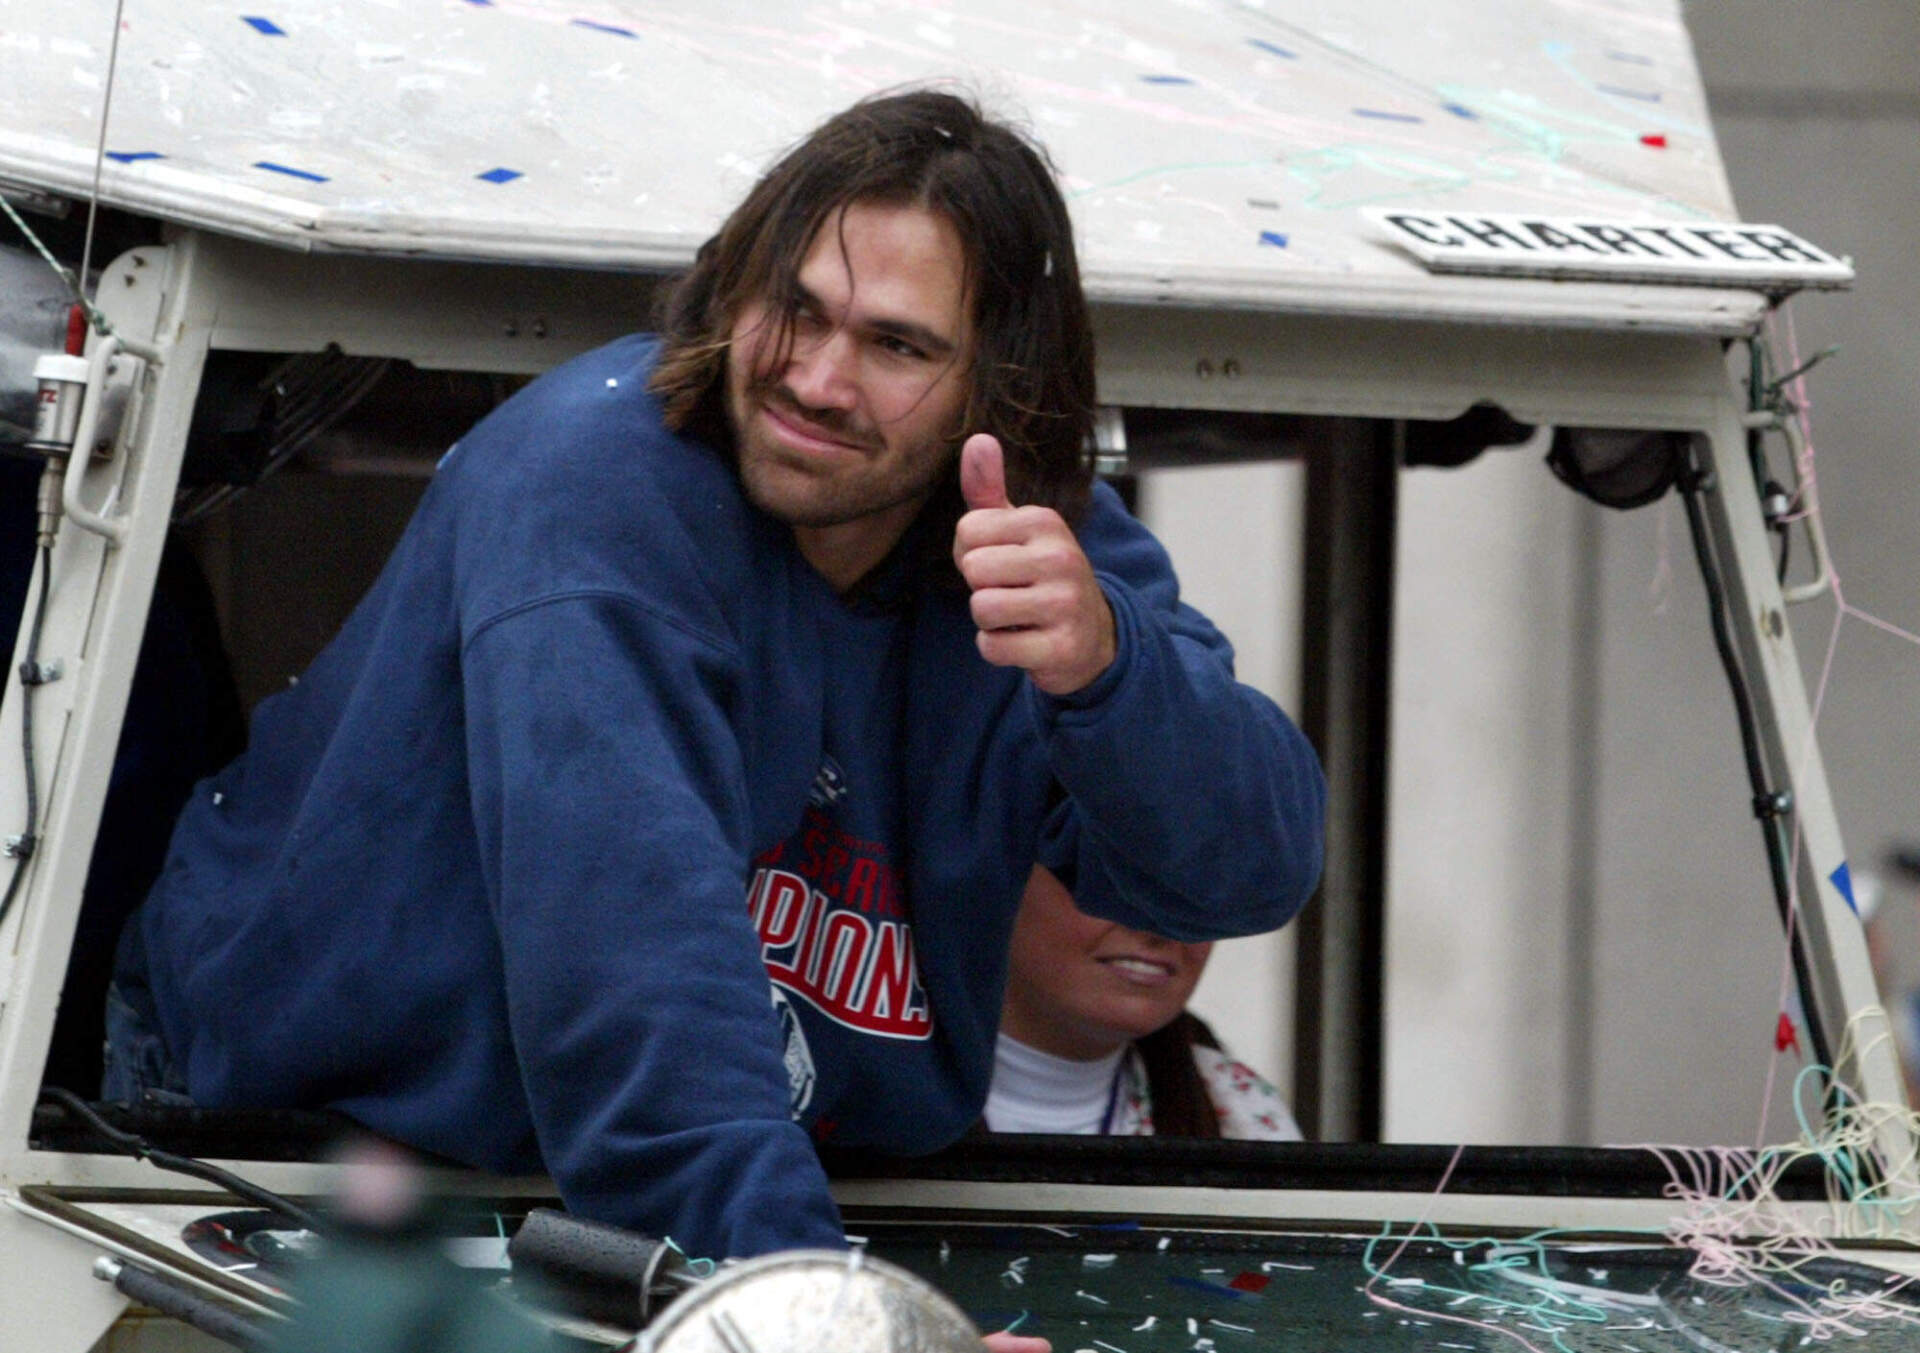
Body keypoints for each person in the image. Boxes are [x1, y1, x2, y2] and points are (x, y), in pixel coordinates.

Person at [108, 88, 1326, 1265]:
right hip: (305, 1165)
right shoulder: (592, 486)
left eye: (897, 344)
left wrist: (1109, 671)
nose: (817, 379)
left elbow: (1249, 868)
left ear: (996, 394)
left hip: (750, 1176)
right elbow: (638, 1007)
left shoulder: (1024, 527)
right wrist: (816, 1314)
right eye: (793, 310)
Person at [986, 865, 1302, 1140]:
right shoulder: (933, 1104)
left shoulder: (1242, 1115)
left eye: (1192, 887)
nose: (1158, 925)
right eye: (1108, 876)